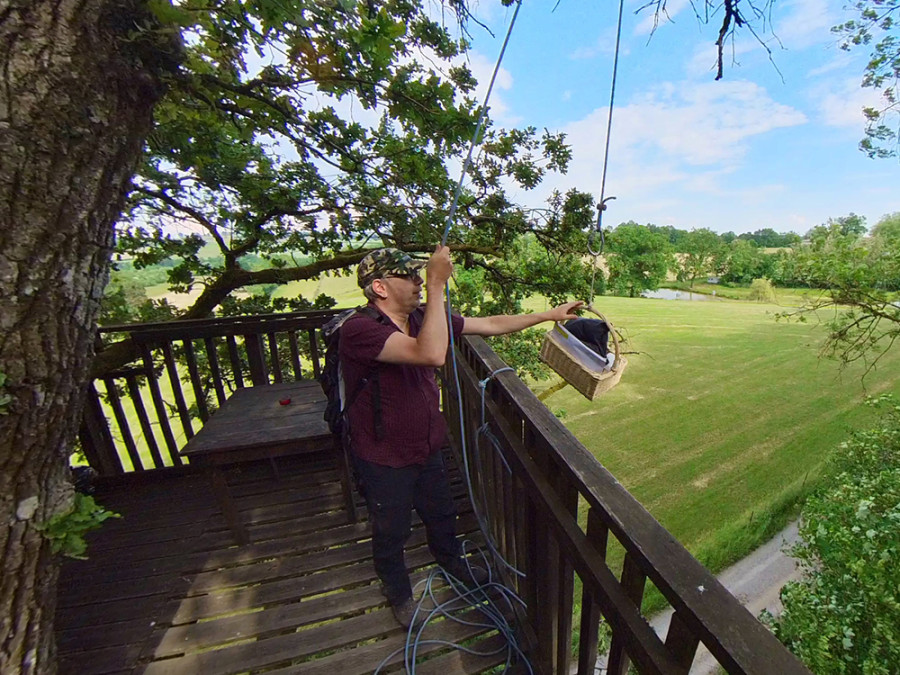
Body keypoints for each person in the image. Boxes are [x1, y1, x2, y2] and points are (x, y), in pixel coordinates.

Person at [339, 245, 582, 628]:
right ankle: (399, 592)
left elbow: (489, 324)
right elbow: (432, 354)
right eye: (410, 276)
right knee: (391, 529)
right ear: (380, 287)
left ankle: (453, 563)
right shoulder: (359, 330)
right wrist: (437, 284)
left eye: (421, 275)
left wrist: (547, 315)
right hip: (384, 456)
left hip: (428, 445)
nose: (419, 281)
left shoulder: (421, 318)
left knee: (441, 514)